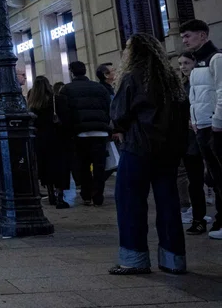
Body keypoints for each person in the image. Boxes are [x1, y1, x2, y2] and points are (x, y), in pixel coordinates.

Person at [109, 33, 188, 275]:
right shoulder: (171, 80)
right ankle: (173, 259)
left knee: (130, 202)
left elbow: (119, 114)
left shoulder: (132, 77)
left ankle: (134, 259)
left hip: (138, 147)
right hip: (168, 150)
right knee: (168, 202)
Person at [179, 19, 222, 238]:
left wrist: (217, 122)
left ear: (202, 35)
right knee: (214, 176)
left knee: (218, 176)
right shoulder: (199, 62)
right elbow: (197, 98)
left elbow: (221, 92)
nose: (184, 40)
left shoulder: (216, 58)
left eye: (187, 35)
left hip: (214, 127)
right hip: (201, 128)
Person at [62, 61, 112, 207]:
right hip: (100, 133)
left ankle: (86, 196)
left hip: (80, 134)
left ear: (72, 72)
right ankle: (98, 196)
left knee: (83, 166)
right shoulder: (99, 88)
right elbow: (108, 107)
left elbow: (66, 113)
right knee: (99, 166)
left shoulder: (67, 89)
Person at [28, 76, 72, 208]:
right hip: (58, 139)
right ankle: (60, 196)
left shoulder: (33, 104)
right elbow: (67, 120)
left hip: (41, 140)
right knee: (61, 168)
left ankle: (50, 192)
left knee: (46, 167)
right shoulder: (59, 100)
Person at [178, 52, 209, 235]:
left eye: (186, 62)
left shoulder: (202, 82)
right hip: (189, 140)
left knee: (210, 178)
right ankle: (198, 219)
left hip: (204, 134)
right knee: (194, 181)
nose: (183, 66)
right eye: (180, 63)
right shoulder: (181, 86)